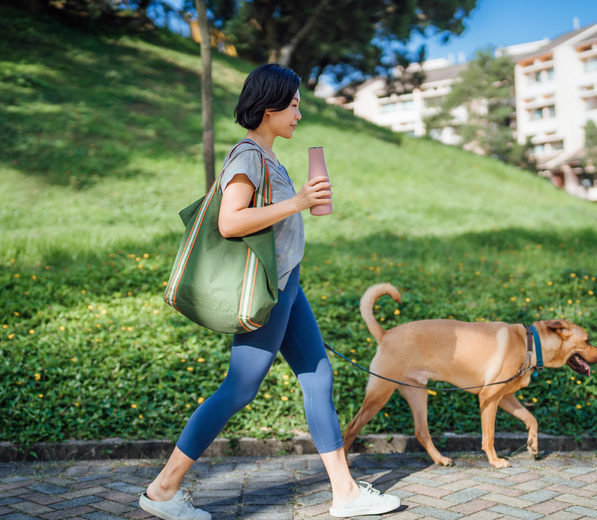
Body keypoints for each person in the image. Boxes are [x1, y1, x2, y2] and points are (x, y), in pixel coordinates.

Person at [139, 63, 401, 520]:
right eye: (294, 104)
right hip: (269, 288)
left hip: (286, 282)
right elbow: (230, 221)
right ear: (268, 107)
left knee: (318, 377)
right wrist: (297, 201)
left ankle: (345, 492)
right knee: (238, 388)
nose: (299, 113)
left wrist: (301, 203)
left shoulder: (270, 156)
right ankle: (163, 489)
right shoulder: (247, 156)